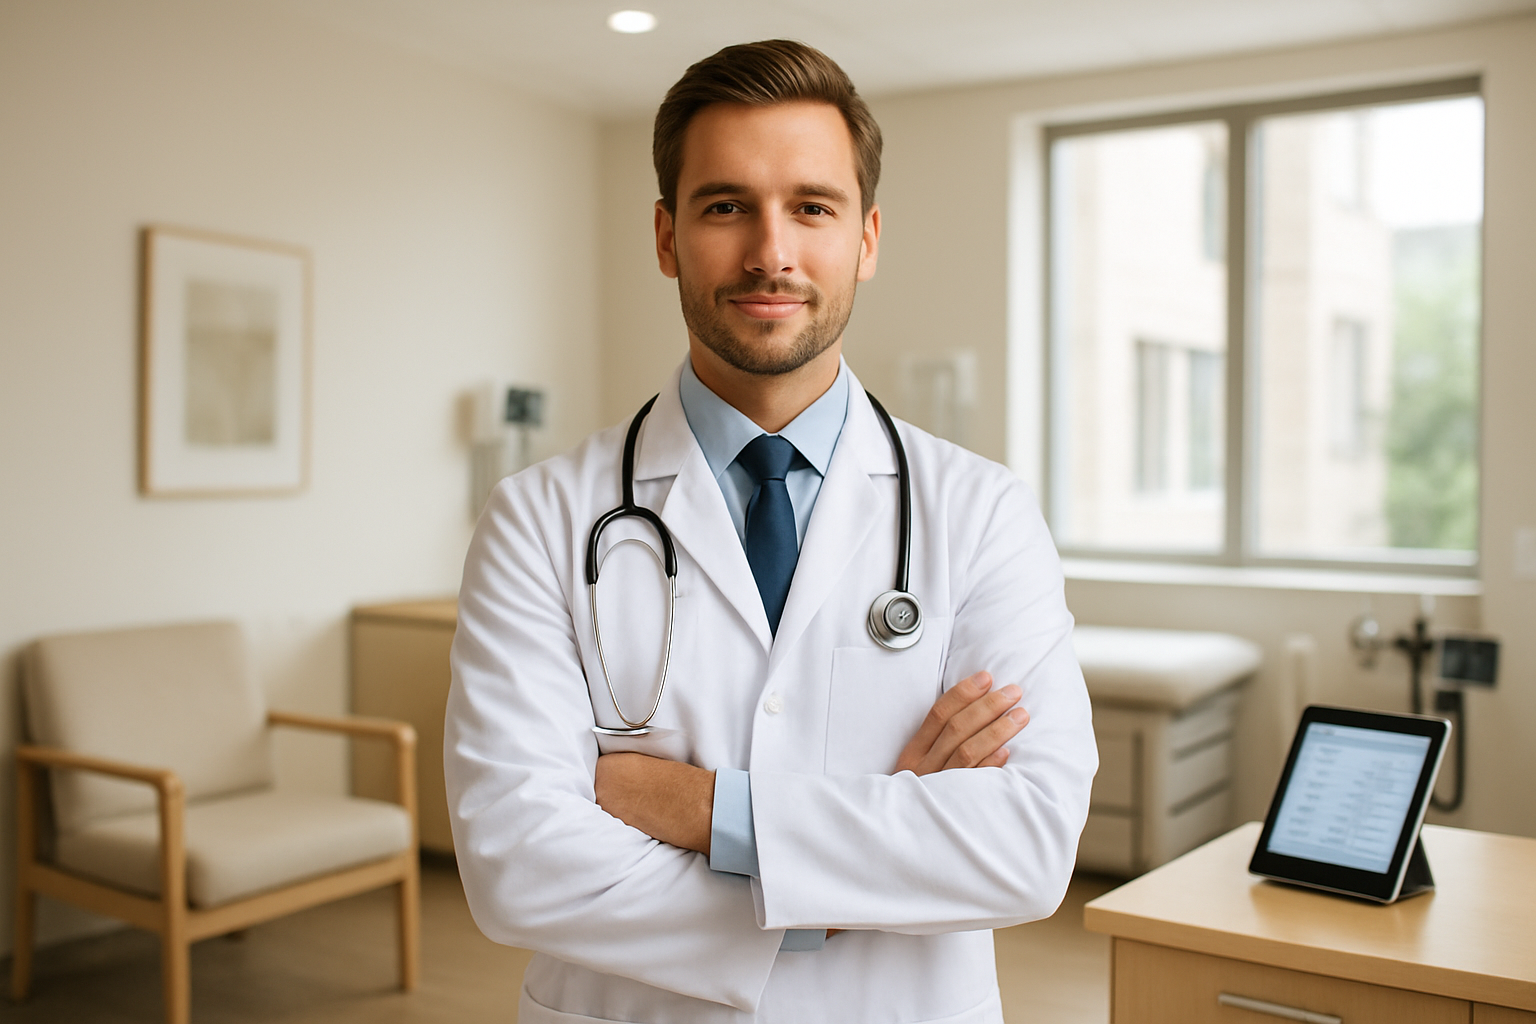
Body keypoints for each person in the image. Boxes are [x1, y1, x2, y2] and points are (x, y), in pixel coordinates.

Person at [445, 39, 1096, 1024]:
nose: (771, 253)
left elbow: (1028, 846)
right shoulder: (540, 518)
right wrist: (860, 868)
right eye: (725, 206)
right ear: (666, 237)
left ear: (866, 238)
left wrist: (698, 808)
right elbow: (517, 863)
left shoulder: (981, 512)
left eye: (812, 206)